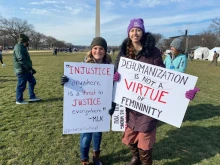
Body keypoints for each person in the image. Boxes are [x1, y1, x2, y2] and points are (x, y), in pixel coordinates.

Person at [109, 18, 199, 165]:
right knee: (130, 134)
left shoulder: (153, 52)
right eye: (132, 30)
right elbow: (118, 74)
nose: (135, 33)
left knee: (145, 137)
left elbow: (165, 77)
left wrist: (184, 92)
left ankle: (145, 162)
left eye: (138, 30)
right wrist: (116, 77)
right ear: (128, 33)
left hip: (148, 104)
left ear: (143, 32)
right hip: (129, 104)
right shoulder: (124, 53)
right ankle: (136, 157)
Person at [61, 37, 120, 165]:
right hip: (86, 108)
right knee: (86, 136)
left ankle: (96, 156)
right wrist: (67, 81)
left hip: (102, 107)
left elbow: (115, 89)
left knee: (98, 133)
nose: (98, 51)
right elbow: (76, 84)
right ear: (91, 50)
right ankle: (84, 160)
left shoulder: (110, 67)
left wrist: (117, 79)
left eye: (101, 48)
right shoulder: (83, 65)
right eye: (95, 48)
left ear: (105, 51)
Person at [13, 34, 41, 104]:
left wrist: (30, 68)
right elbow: (21, 59)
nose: (28, 43)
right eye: (28, 41)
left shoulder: (22, 47)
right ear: (24, 41)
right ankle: (19, 100)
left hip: (26, 69)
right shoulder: (18, 47)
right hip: (22, 70)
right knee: (21, 85)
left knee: (32, 81)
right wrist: (29, 68)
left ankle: (32, 97)